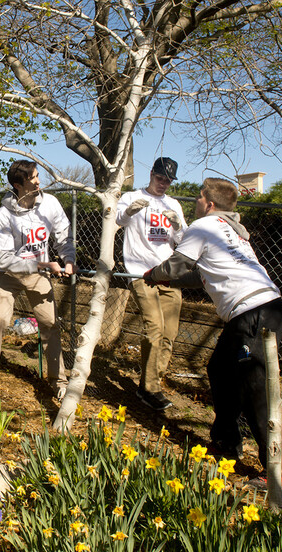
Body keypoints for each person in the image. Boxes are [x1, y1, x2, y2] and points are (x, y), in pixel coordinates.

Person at [144, 177, 282, 492]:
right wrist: (171, 282)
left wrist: (155, 274)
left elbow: (177, 264)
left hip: (253, 313)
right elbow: (203, 276)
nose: (196, 203)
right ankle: (227, 441)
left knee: (257, 388)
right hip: (260, 308)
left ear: (210, 204)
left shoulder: (203, 226)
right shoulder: (230, 231)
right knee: (219, 369)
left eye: (199, 198)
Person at [0, 159, 75, 399]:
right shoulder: (5, 214)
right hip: (9, 275)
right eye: (32, 178)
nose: (38, 181)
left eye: (37, 175)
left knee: (50, 324)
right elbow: (5, 259)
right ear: (18, 185)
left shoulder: (50, 204)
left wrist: (68, 259)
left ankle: (58, 382)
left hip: (39, 276)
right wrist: (42, 263)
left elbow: (63, 236)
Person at [116, 156, 188, 411]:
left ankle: (150, 382)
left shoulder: (174, 204)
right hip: (141, 273)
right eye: (160, 179)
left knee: (169, 334)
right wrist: (129, 211)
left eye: (168, 181)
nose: (163, 184)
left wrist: (177, 224)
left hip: (167, 273)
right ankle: (150, 389)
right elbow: (117, 220)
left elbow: (183, 239)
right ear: (152, 174)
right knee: (154, 328)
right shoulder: (132, 196)